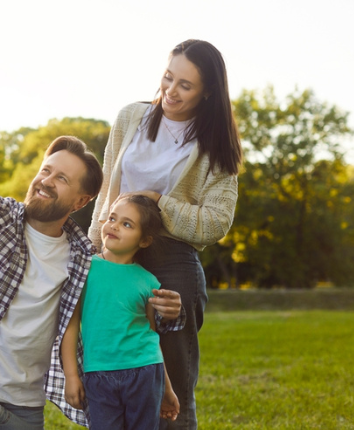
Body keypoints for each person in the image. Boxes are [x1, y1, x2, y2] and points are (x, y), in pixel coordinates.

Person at [0, 132, 184, 430]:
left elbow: (129, 318)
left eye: (62, 178)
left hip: (20, 411)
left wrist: (170, 312)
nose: (47, 180)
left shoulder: (83, 261)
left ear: (81, 201)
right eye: (45, 170)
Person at [89, 39, 243, 430]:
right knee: (110, 363)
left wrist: (160, 202)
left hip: (171, 260)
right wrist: (95, 247)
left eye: (185, 86)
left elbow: (215, 224)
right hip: (116, 251)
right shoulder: (131, 118)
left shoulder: (215, 147)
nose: (171, 92)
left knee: (168, 375)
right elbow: (108, 186)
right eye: (168, 78)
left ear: (208, 91)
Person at [62, 194, 180, 429]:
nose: (114, 226)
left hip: (145, 372)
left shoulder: (149, 282)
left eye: (127, 224)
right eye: (112, 218)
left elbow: (152, 335)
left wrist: (166, 389)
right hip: (98, 374)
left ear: (144, 241)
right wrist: (71, 375)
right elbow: (70, 323)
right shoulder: (84, 269)